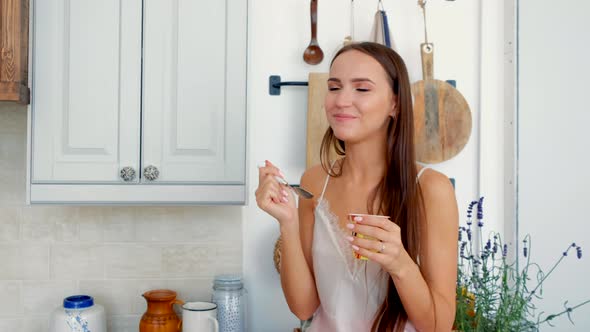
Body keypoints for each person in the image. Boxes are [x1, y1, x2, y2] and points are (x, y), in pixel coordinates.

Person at [256, 42, 458, 332]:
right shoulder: (314, 182)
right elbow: (303, 307)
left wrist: (399, 263)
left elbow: (438, 326)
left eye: (362, 89)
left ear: (395, 104)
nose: (341, 100)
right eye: (334, 87)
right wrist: (286, 222)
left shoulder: (431, 190)